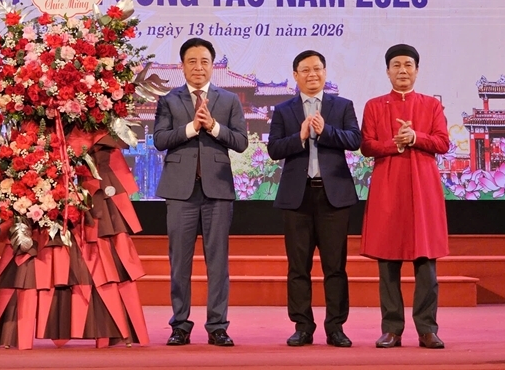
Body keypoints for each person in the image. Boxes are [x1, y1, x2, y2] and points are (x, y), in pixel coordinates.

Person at [153, 37, 248, 347]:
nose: (198, 67)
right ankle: (180, 325)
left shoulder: (229, 100)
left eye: (204, 61)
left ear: (212, 66)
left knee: (217, 262)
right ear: (182, 66)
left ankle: (217, 326)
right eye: (192, 61)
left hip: (217, 190)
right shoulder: (168, 100)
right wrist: (192, 127)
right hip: (180, 191)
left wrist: (214, 127)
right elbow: (160, 140)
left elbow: (241, 142)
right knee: (179, 263)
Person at [267, 50, 361, 348]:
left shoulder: (342, 105)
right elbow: (274, 149)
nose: (312, 74)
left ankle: (336, 327)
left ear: (325, 72)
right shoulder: (284, 110)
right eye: (305, 70)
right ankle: (302, 326)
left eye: (317, 68)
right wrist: (300, 137)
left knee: (335, 267)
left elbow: (355, 140)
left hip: (333, 197)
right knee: (298, 267)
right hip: (298, 198)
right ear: (295, 75)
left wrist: (326, 131)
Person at [360, 44, 450, 349]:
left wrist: (416, 137)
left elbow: (443, 142)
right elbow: (367, 145)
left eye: (408, 65)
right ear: (387, 71)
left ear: (417, 70)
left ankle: (427, 328)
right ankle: (391, 329)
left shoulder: (431, 105)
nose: (402, 70)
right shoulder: (374, 106)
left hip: (423, 188)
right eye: (396, 65)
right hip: (388, 187)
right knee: (388, 262)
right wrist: (395, 144)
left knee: (426, 263)